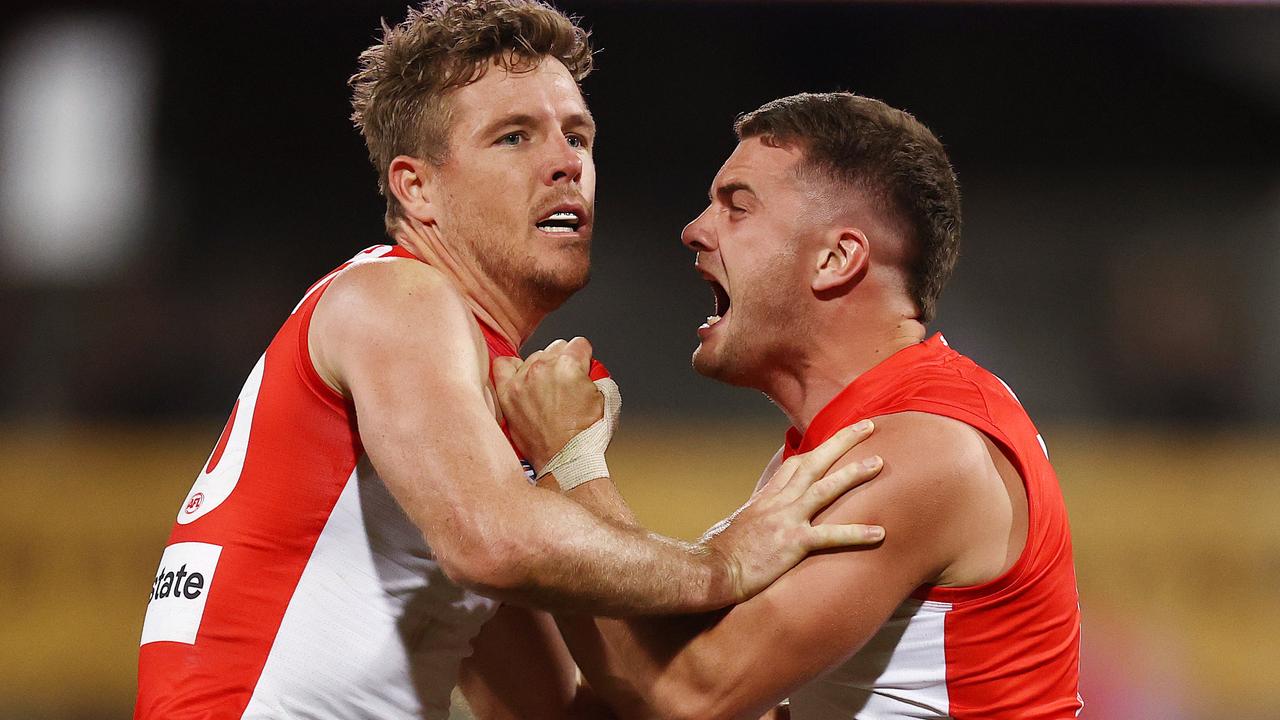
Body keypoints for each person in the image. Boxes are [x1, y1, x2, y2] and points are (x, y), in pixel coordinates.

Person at [132, 5, 886, 719]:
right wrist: (723, 564)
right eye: (514, 137)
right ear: (417, 188)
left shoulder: (468, 409)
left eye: (579, 136)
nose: (564, 163)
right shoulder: (396, 296)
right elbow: (491, 542)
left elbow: (548, 707)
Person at [496, 92, 1083, 719]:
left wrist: (567, 458)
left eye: (737, 208)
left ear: (837, 259)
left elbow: (689, 696)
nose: (695, 229)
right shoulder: (846, 440)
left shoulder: (923, 446)